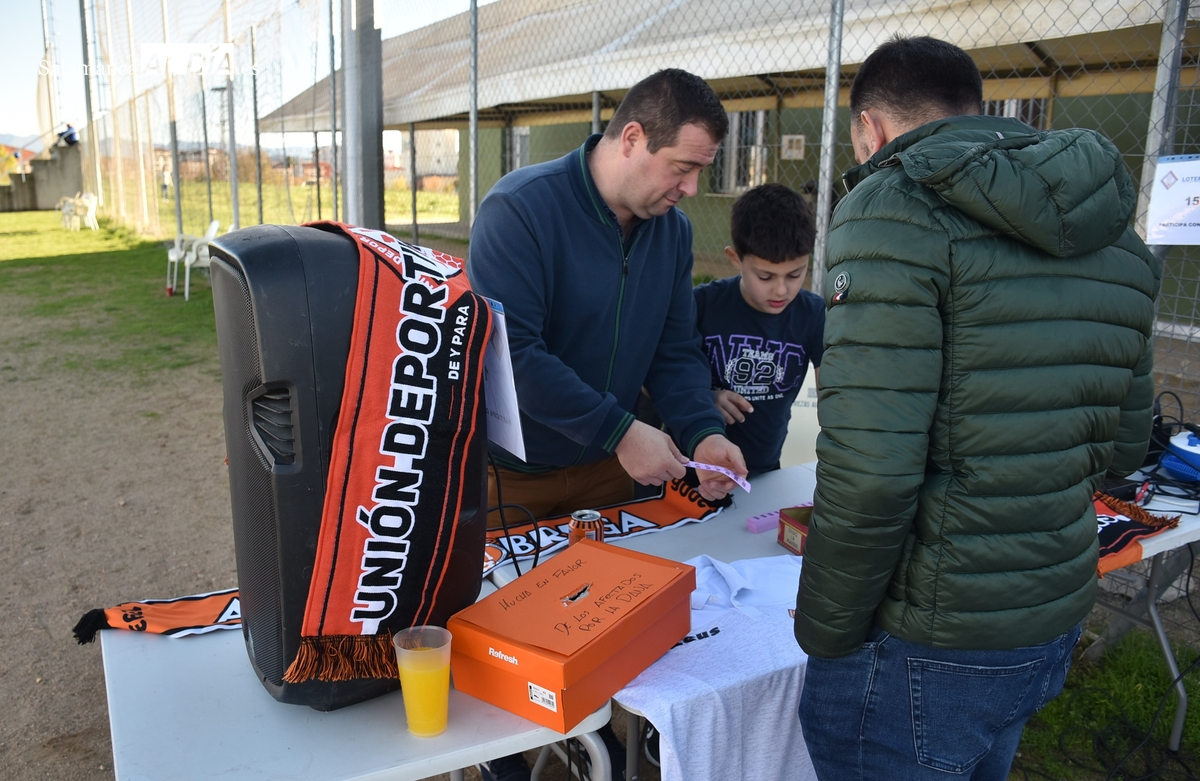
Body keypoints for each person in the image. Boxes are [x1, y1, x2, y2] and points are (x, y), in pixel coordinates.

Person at [794, 35, 1160, 781]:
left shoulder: (892, 207)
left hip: (933, 633)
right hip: (1049, 610)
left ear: (871, 129)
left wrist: (826, 632)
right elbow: (1124, 450)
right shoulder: (1115, 234)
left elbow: (873, 473)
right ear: (978, 111)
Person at [467, 68, 747, 781]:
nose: (689, 189)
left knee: (605, 627)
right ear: (631, 138)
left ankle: (605, 751)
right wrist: (622, 429)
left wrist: (700, 430)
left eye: (697, 173)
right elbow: (513, 356)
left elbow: (675, 350)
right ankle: (499, 762)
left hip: (608, 467)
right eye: (682, 169)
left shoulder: (671, 233)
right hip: (512, 474)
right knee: (504, 636)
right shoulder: (520, 210)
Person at [694, 183, 823, 478]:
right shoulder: (701, 305)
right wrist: (704, 397)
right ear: (735, 258)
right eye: (765, 276)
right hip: (693, 474)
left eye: (795, 274)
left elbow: (836, 398)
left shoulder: (813, 313)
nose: (781, 289)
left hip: (765, 473)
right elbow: (656, 379)